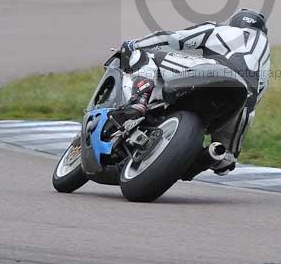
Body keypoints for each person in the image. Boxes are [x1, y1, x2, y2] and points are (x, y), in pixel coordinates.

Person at [114, 9, 271, 177]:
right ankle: (198, 161)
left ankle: (139, 99)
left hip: (215, 73)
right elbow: (258, 96)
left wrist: (133, 44)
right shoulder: (266, 61)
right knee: (225, 161)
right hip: (243, 104)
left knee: (146, 56)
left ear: (236, 21)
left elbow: (174, 39)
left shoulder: (222, 30)